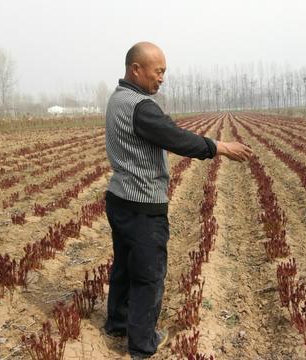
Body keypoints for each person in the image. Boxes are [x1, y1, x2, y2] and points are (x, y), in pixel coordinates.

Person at [103, 41, 252, 359]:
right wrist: (220, 147)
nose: (161, 78)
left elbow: (165, 131)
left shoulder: (119, 99)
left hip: (119, 198)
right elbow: (176, 138)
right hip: (142, 203)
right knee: (148, 273)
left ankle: (117, 321)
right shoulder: (141, 107)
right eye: (158, 72)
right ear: (136, 70)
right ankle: (142, 343)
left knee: (125, 265)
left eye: (164, 72)